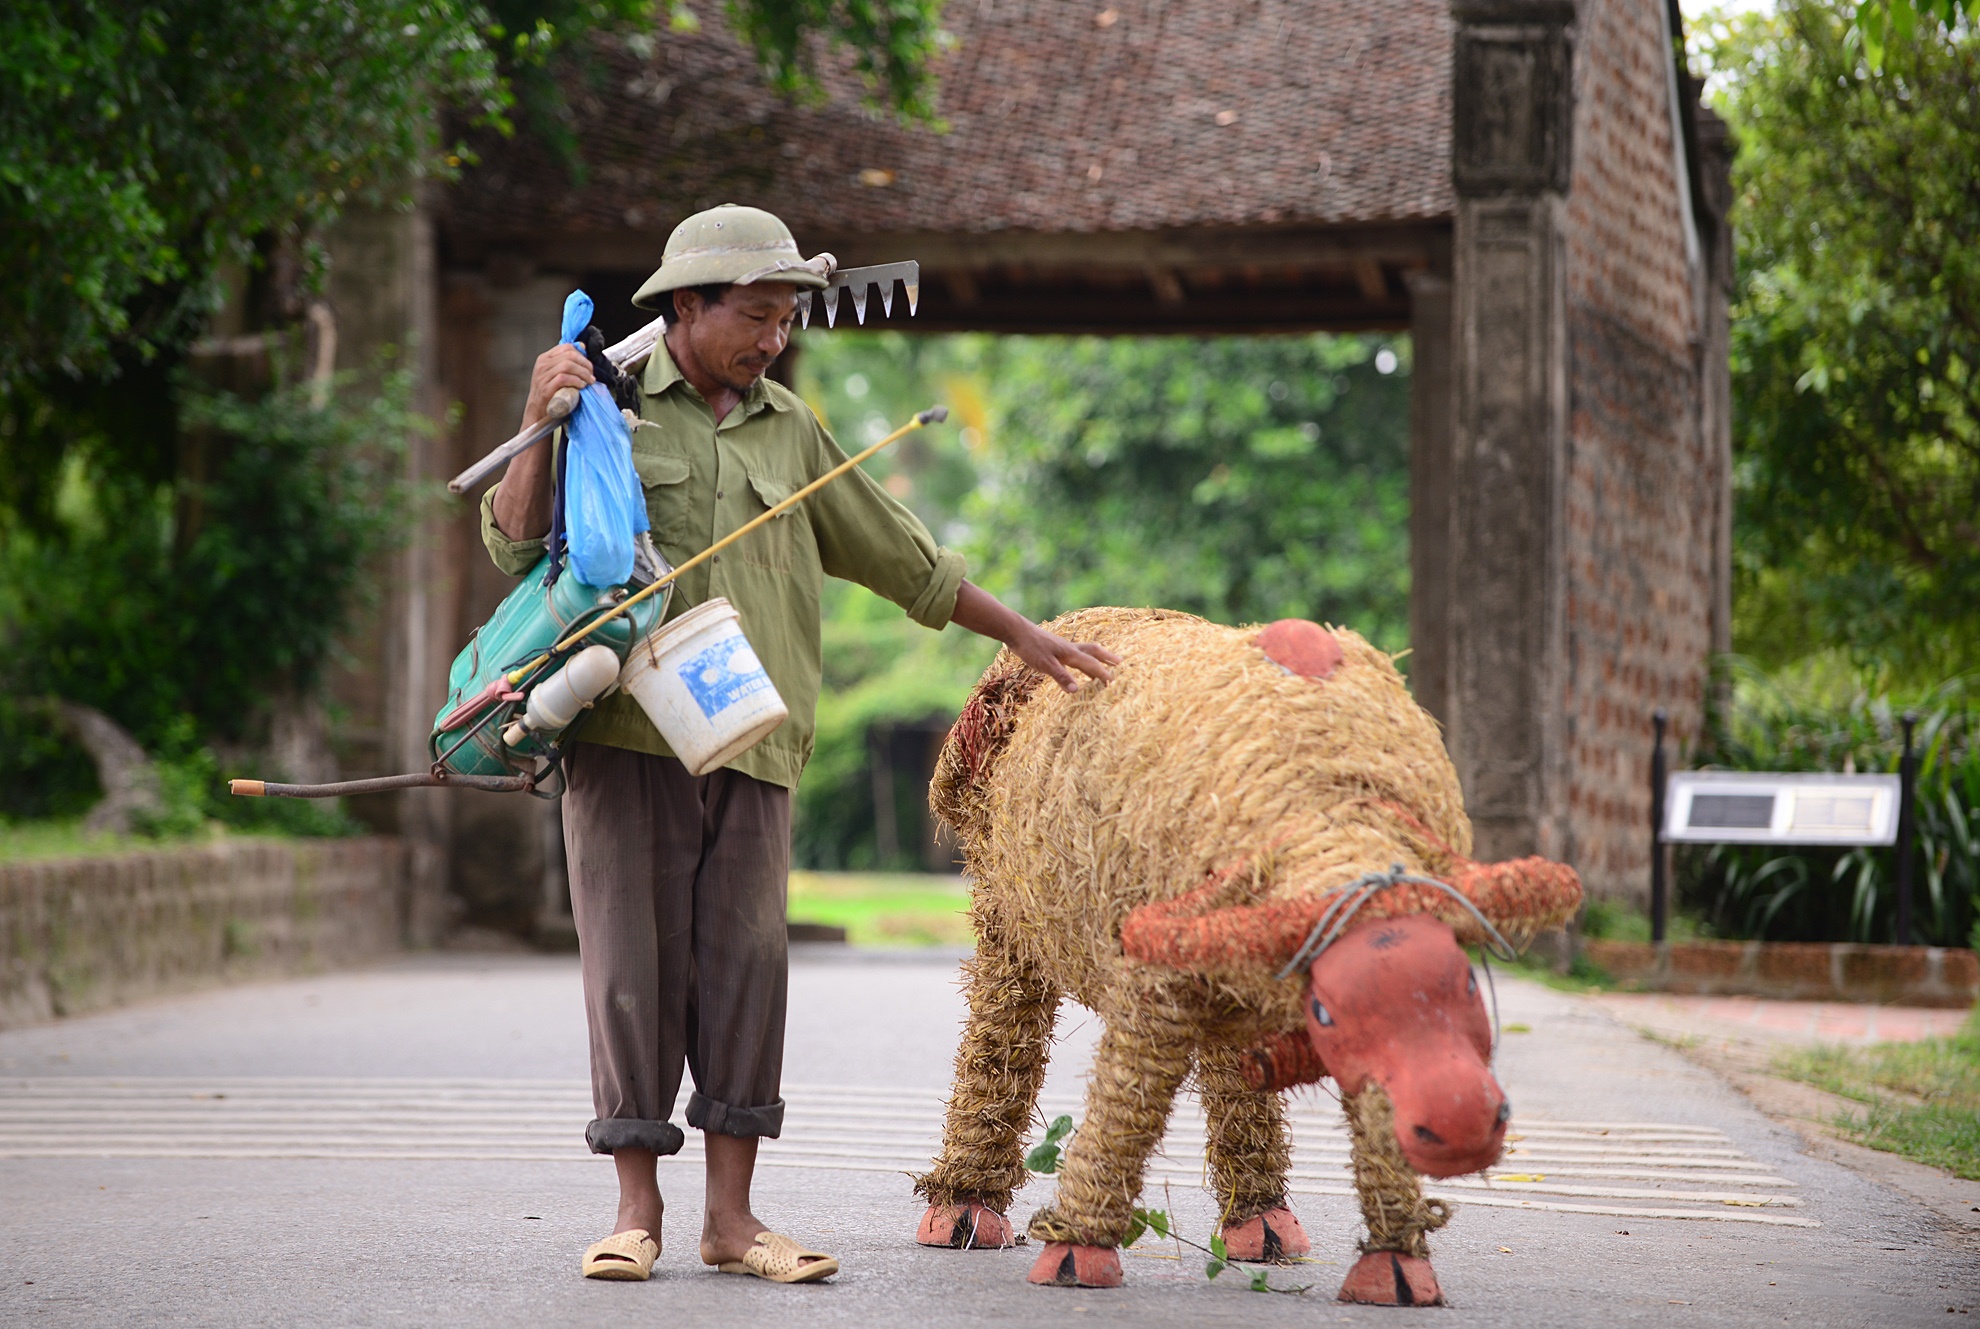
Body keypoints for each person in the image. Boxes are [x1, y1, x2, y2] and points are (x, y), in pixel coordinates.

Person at [482, 204, 1119, 1285]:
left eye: (786, 320)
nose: (774, 339)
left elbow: (902, 556)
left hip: (756, 743)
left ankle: (732, 1222)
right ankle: (633, 1213)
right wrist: (545, 418)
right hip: (625, 738)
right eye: (758, 316)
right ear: (687, 306)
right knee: (630, 972)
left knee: (747, 971)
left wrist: (1019, 633)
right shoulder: (611, 408)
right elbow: (510, 542)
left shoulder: (791, 427)